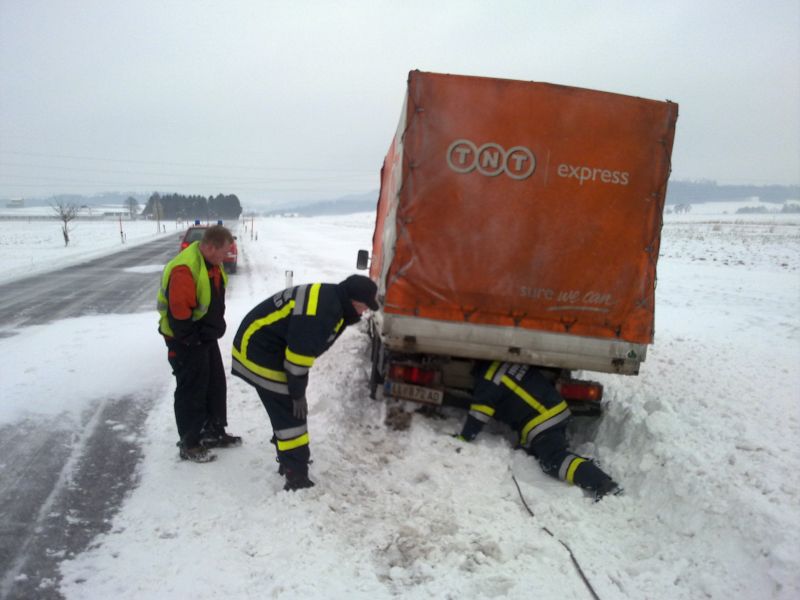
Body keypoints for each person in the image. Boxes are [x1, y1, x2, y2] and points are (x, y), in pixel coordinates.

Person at [232, 274, 379, 491]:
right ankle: (295, 474)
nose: (365, 312)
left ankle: (288, 457)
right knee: (291, 412)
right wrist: (298, 394)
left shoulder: (333, 300)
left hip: (267, 345)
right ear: (353, 300)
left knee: (288, 407)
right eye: (364, 306)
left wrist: (297, 390)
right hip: (257, 350)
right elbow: (297, 360)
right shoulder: (323, 312)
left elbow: (301, 353)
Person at [456, 360, 621, 500]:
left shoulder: (489, 381)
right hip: (554, 410)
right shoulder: (504, 364)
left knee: (553, 461)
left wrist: (464, 438)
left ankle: (603, 484)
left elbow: (479, 414)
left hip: (544, 420)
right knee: (530, 452)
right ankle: (586, 466)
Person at [157, 225, 241, 463]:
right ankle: (190, 443)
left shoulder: (211, 263)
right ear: (210, 247)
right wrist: (193, 340)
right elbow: (179, 315)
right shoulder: (185, 269)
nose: (226, 256)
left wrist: (212, 330)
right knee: (191, 390)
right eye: (224, 252)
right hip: (185, 340)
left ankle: (212, 431)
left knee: (214, 384)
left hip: (203, 337)